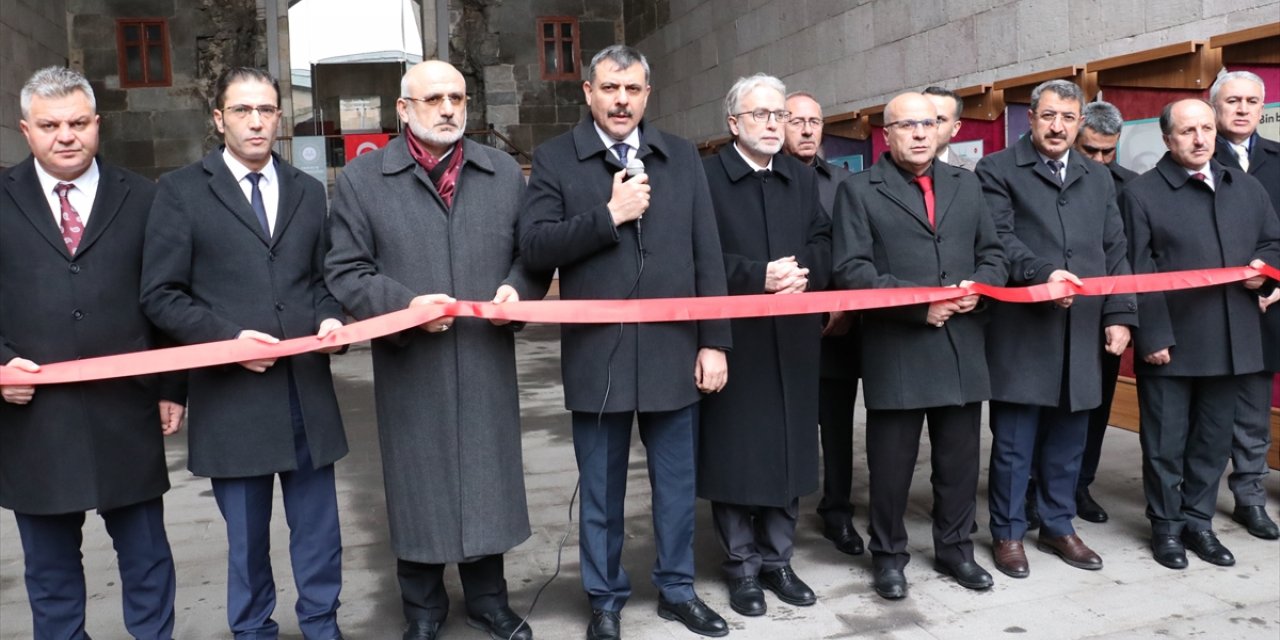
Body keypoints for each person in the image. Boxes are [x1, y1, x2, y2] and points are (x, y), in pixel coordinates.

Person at [325, 60, 546, 640]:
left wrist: (516, 290)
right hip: (409, 362)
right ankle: (422, 609)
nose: (448, 109)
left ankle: (490, 602)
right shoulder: (363, 180)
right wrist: (404, 306)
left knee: (486, 475)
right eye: (433, 100)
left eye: (457, 98)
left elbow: (532, 256)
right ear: (403, 110)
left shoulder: (501, 171)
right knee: (417, 481)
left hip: (483, 354)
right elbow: (345, 271)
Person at [519, 44, 732, 640]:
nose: (621, 100)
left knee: (675, 485)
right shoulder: (556, 159)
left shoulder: (681, 156)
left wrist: (714, 341)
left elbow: (706, 256)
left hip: (672, 350)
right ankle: (605, 599)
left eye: (633, 89)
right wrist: (607, 216)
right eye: (610, 88)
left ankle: (677, 590)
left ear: (646, 95)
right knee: (602, 492)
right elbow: (534, 247)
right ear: (587, 92)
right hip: (598, 356)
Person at [141, 67, 348, 640]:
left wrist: (331, 315)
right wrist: (227, 341)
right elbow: (160, 295)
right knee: (247, 537)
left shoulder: (308, 191)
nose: (255, 121)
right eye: (241, 110)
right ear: (219, 119)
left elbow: (321, 279)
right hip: (233, 397)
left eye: (266, 110)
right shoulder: (181, 192)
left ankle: (321, 623)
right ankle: (253, 629)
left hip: (306, 392)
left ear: (280, 118)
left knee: (319, 531)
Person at [0, 65, 184, 640]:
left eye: (79, 122)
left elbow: (166, 295)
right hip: (32, 416)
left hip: (126, 408)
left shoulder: (145, 197)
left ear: (97, 124)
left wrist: (171, 386)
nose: (66, 136)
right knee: (50, 570)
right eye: (50, 125)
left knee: (147, 559)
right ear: (25, 129)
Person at [833, 92, 1007, 600]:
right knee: (891, 468)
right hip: (899, 347)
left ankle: (956, 549)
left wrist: (979, 287)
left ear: (941, 130)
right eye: (906, 125)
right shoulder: (860, 190)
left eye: (928, 123)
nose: (919, 133)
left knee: (958, 465)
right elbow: (852, 270)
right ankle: (888, 557)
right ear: (886, 134)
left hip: (961, 344)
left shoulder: (966, 184)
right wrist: (917, 308)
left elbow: (993, 252)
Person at [976, 79, 1136, 579]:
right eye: (1049, 116)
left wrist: (1120, 314)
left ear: (1079, 121)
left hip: (1083, 331)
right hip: (1024, 330)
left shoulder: (1098, 176)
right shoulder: (997, 170)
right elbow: (999, 241)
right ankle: (1007, 531)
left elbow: (1117, 251)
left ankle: (1057, 524)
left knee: (1070, 440)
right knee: (1015, 443)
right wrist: (1043, 273)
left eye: (1068, 118)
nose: (1058, 126)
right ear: (1031, 117)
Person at [1121, 98, 1280, 569]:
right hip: (1173, 342)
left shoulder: (1246, 188)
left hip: (1233, 340)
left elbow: (1273, 242)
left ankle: (1198, 523)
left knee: (1212, 443)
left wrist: (1265, 273)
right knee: (1166, 444)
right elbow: (1136, 270)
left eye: (1206, 129)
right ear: (1167, 139)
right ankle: (1166, 529)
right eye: (1188, 131)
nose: (1200, 139)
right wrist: (1151, 336)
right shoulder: (1142, 194)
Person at [700, 74, 831, 617]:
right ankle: (742, 567)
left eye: (780, 115)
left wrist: (806, 274)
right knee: (737, 455)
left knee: (789, 452)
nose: (775, 124)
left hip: (793, 339)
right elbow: (695, 258)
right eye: (762, 115)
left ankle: (779, 561)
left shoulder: (799, 179)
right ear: (734, 124)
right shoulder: (706, 179)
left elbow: (823, 238)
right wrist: (758, 275)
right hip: (736, 340)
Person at [782, 90, 865, 557]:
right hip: (782, 325)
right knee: (787, 422)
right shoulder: (770, 179)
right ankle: (780, 509)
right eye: (798, 121)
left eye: (815, 120)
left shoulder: (844, 183)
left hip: (836, 326)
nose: (809, 129)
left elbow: (853, 247)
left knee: (836, 424)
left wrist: (844, 306)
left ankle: (837, 510)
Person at [1210, 70, 1280, 541]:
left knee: (1254, 410)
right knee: (1208, 411)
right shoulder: (1189, 155)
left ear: (1262, 108)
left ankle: (1250, 498)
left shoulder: (1279, 160)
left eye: (1251, 101)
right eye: (1232, 100)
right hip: (1209, 310)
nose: (1242, 108)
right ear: (1214, 106)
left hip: (1267, 307)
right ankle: (1190, 497)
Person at [1063, 100, 1141, 525]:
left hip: (1104, 317)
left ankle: (1080, 485)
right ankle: (1039, 487)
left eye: (1106, 153)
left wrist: (1122, 315)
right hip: (1053, 314)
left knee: (1097, 406)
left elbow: (1126, 256)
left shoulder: (1129, 187)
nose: (1097, 161)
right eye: (1088, 150)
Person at [923, 86, 974, 170]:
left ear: (955, 128)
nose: (928, 125)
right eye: (923, 117)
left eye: (939, 119)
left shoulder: (973, 173)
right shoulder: (894, 172)